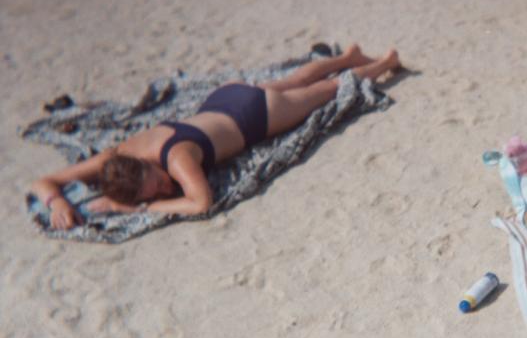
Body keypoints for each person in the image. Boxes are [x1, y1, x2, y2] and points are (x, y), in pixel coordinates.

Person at [31, 44, 400, 229]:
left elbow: (201, 203)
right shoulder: (116, 155)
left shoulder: (177, 160)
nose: (163, 188)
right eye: (156, 191)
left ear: (148, 165)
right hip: (226, 97)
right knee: (298, 79)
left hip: (258, 115)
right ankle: (348, 54)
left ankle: (384, 64)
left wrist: (141, 207)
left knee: (329, 91)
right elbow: (42, 182)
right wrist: (55, 203)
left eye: (157, 184)